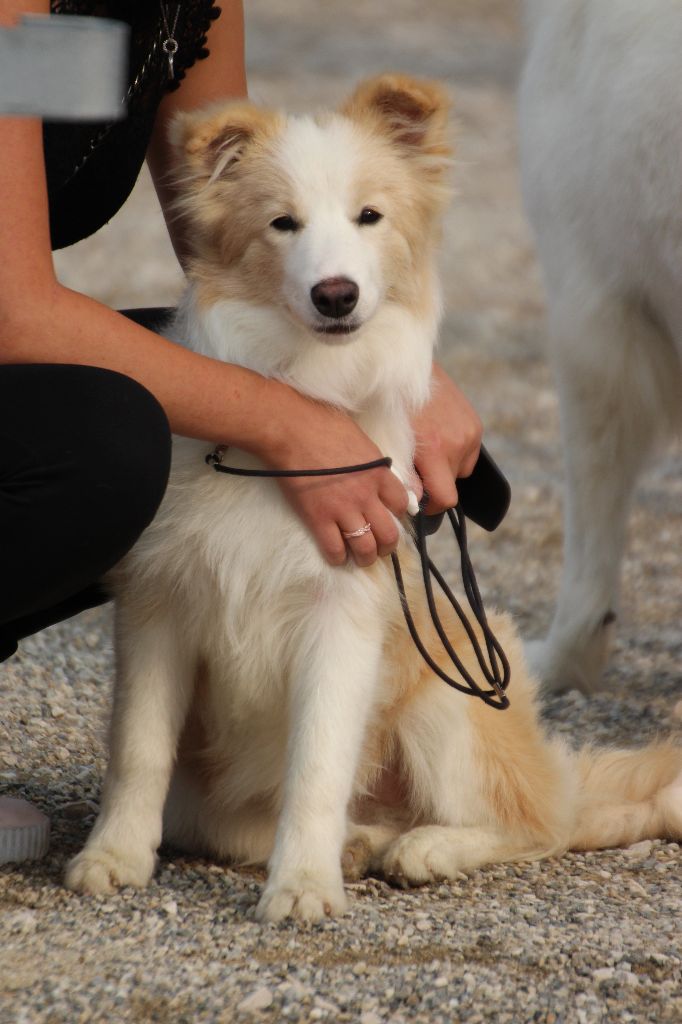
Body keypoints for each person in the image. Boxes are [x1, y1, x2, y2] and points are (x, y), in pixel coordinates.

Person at [0, 0, 482, 860]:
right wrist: (288, 424)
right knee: (115, 442)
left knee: (385, 429)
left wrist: (398, 375)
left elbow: (233, 223)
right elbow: (15, 315)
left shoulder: (187, 8)